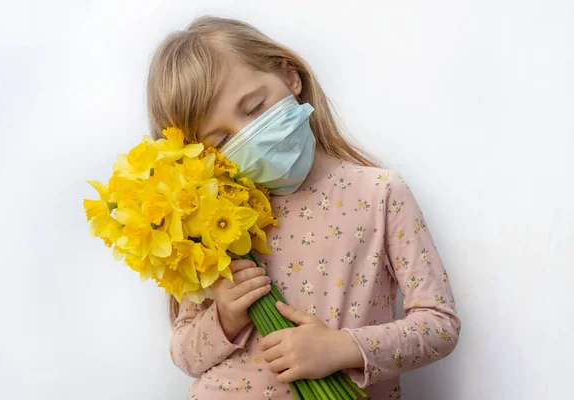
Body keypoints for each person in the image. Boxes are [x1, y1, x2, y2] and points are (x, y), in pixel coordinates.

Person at [146, 15, 461, 400]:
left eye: (256, 107)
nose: (249, 136)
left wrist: (342, 348)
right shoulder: (212, 219)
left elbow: (439, 325)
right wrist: (224, 318)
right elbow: (184, 355)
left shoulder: (380, 194)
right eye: (222, 139)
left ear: (290, 76)